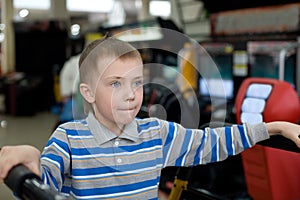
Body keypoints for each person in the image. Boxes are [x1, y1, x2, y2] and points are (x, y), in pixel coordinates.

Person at [0, 36, 300, 199]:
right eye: (115, 83)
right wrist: (32, 157)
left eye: (137, 83)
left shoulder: (156, 134)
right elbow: (44, 183)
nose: (130, 94)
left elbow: (213, 141)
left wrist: (276, 127)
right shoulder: (68, 139)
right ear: (88, 93)